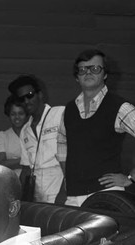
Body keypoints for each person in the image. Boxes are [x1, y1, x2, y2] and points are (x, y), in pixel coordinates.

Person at [57, 48, 135, 207]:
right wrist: (68, 177)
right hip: (73, 196)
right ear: (77, 77)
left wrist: (130, 178)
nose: (88, 73)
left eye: (95, 68)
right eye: (83, 69)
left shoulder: (119, 107)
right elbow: (62, 145)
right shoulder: (69, 109)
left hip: (106, 194)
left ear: (105, 74)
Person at [8, 75, 65, 203]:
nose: (26, 101)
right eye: (21, 99)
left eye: (30, 95)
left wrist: (65, 191)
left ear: (40, 95)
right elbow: (26, 168)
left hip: (61, 191)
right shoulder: (25, 131)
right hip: (38, 196)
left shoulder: (60, 114)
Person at [0, 94, 28, 179]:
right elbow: (1, 164)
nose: (17, 117)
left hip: (32, 181)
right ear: (8, 115)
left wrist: (13, 161)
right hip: (9, 181)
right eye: (13, 114)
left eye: (21, 113)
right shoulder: (3, 136)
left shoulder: (33, 133)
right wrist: (25, 160)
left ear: (27, 114)